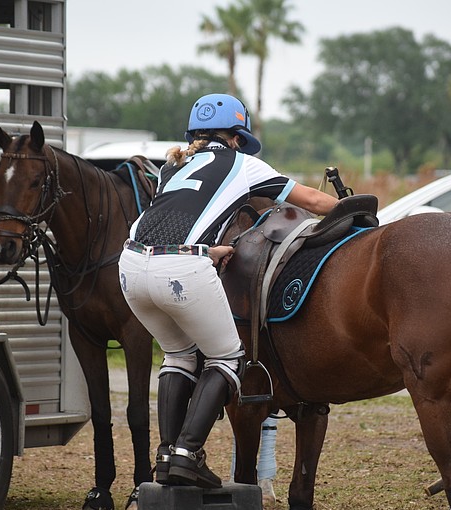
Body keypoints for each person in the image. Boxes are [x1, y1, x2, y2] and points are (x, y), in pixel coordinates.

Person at [118, 93, 338, 489]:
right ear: (237, 136)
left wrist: (208, 249)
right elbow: (315, 201)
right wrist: (354, 206)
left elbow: (176, 219)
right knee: (227, 357)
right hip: (180, 268)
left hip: (131, 267)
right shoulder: (245, 164)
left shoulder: (174, 164)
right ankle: (188, 453)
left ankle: (167, 455)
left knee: (179, 355)